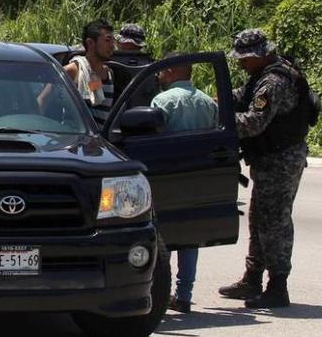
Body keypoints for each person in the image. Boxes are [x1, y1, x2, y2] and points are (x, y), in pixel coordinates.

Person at [218, 29, 314, 309]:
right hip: (273, 160)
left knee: (274, 223)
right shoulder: (266, 76)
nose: (241, 65)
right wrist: (212, 101)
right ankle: (252, 279)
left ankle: (277, 286)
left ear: (259, 55)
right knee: (259, 218)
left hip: (281, 162)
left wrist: (221, 118)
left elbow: (253, 123)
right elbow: (242, 95)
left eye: (244, 59)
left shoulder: (273, 82)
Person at [150, 53, 218, 313]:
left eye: (162, 70)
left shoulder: (163, 100)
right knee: (189, 238)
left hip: (167, 176)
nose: (158, 74)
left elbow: (152, 138)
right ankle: (185, 294)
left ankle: (158, 294)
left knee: (160, 235)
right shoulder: (207, 103)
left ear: (172, 72)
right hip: (198, 177)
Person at [64, 20, 116, 126]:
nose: (112, 46)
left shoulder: (109, 74)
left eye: (113, 41)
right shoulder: (73, 71)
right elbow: (43, 101)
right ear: (90, 43)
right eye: (107, 40)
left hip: (98, 140)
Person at [110, 23, 159, 106]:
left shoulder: (107, 62)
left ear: (119, 42)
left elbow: (92, 89)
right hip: (142, 115)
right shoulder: (151, 66)